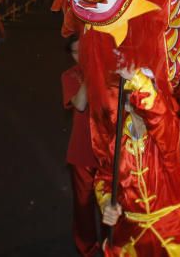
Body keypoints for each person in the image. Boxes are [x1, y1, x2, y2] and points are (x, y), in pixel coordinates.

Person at [98, 67, 180, 255]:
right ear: (126, 104)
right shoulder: (115, 143)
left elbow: (160, 116)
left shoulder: (166, 136)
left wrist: (136, 78)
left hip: (171, 232)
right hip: (132, 235)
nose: (142, 100)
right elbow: (104, 179)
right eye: (133, 94)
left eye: (148, 92)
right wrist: (107, 204)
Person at [62, 36, 99, 257]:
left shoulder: (109, 71)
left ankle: (111, 245)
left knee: (111, 205)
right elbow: (80, 103)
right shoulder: (70, 75)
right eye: (75, 53)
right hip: (81, 150)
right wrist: (92, 70)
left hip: (108, 150)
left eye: (84, 50)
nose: (80, 56)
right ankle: (87, 248)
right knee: (84, 206)